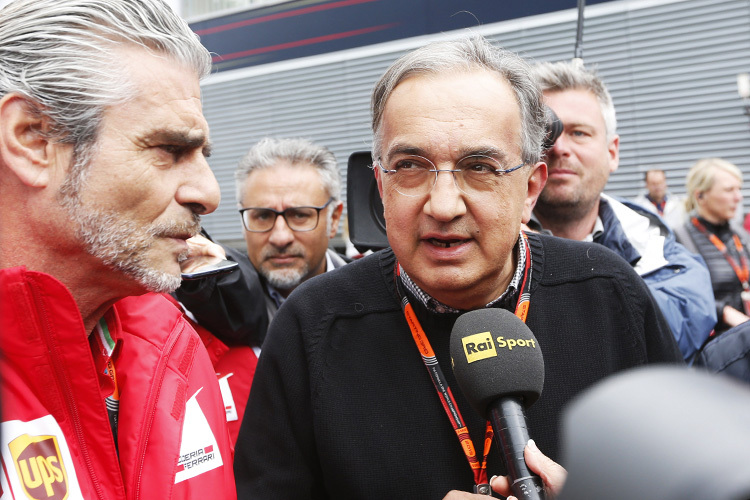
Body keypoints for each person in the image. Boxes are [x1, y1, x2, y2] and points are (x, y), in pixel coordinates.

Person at [233, 36, 682, 499]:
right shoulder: (312, 326)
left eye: (480, 167)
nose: (443, 205)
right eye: (410, 165)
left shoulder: (609, 296)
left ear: (530, 188)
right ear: (381, 188)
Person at [0, 1, 236, 499]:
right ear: (32, 139)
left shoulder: (176, 349)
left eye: (201, 155)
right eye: (170, 150)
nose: (208, 193)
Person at [529, 61, 716, 361]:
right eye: (545, 135)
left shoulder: (654, 243)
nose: (560, 148)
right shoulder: (484, 246)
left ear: (612, 153)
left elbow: (668, 336)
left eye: (579, 133)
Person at [175, 137, 346, 349]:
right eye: (263, 216)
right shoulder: (194, 312)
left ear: (334, 219)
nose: (280, 237)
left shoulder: (379, 296)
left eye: (300, 215)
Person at [674, 158, 750, 334]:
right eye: (729, 190)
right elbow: (684, 297)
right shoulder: (680, 238)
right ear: (700, 196)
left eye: (738, 189)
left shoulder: (740, 234)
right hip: (716, 345)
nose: (738, 197)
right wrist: (725, 313)